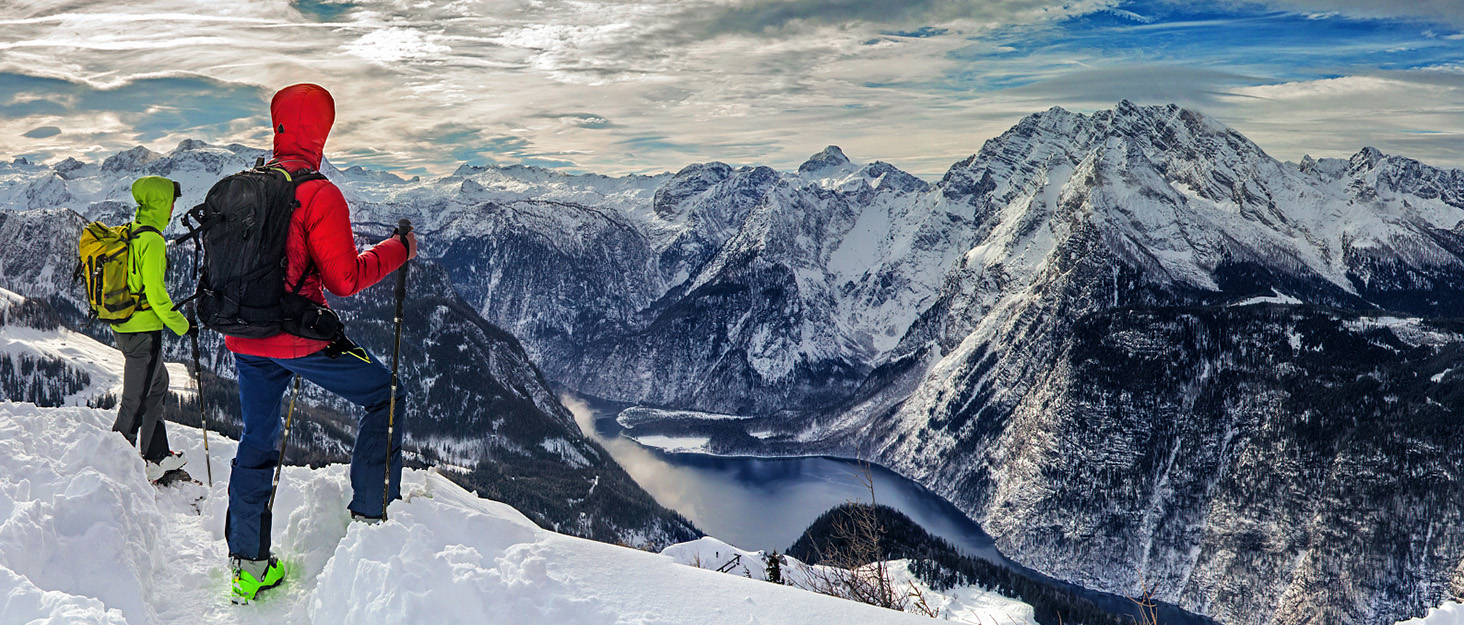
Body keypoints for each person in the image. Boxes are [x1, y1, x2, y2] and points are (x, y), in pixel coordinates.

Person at [223, 83, 417, 605]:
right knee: (386, 395)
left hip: (244, 338)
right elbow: (345, 279)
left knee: (257, 442)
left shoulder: (245, 187)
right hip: (299, 338)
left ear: (278, 124)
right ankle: (372, 519)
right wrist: (397, 250)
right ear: (323, 130)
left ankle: (247, 565)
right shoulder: (319, 194)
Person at [111, 175, 192, 483]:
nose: (173, 208)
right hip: (144, 332)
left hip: (126, 326)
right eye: (171, 201)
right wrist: (184, 325)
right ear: (161, 203)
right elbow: (157, 296)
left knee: (157, 385)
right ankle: (118, 468)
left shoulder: (132, 232)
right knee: (136, 397)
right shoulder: (153, 240)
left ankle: (155, 454)